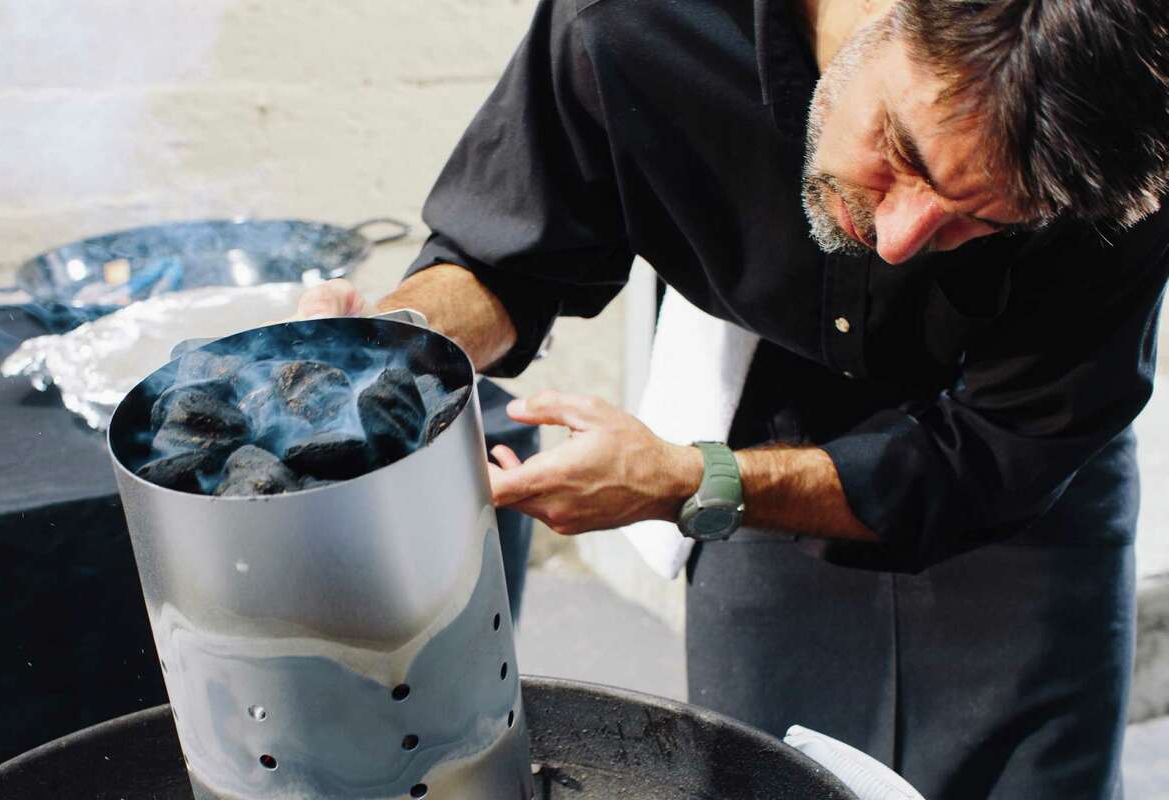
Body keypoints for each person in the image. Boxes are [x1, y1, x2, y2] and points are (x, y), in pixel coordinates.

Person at [299, 1, 1169, 797]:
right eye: (902, 154)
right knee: (769, 775)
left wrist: (693, 480)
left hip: (1023, 497)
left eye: (979, 220)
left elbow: (1006, 447)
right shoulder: (636, 20)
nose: (903, 243)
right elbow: (507, 257)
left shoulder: (1122, 118)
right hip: (765, 443)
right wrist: (388, 347)